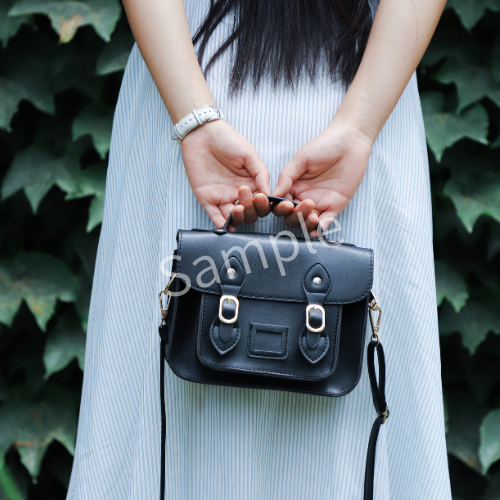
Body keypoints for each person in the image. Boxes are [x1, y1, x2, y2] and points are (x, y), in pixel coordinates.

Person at [66, 0, 452, 498]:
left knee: (153, 423)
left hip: (188, 76)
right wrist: (358, 128)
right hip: (361, 84)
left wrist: (194, 120)